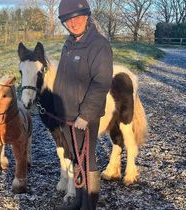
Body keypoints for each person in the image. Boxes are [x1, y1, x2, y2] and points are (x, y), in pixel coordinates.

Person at [53, 0, 113, 209]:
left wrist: (85, 114)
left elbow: (102, 82)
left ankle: (89, 204)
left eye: (77, 17)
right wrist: (55, 108)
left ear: (87, 16)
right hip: (66, 116)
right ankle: (78, 200)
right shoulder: (69, 44)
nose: (73, 22)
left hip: (84, 118)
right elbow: (61, 78)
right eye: (68, 19)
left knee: (87, 160)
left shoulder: (99, 45)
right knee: (76, 160)